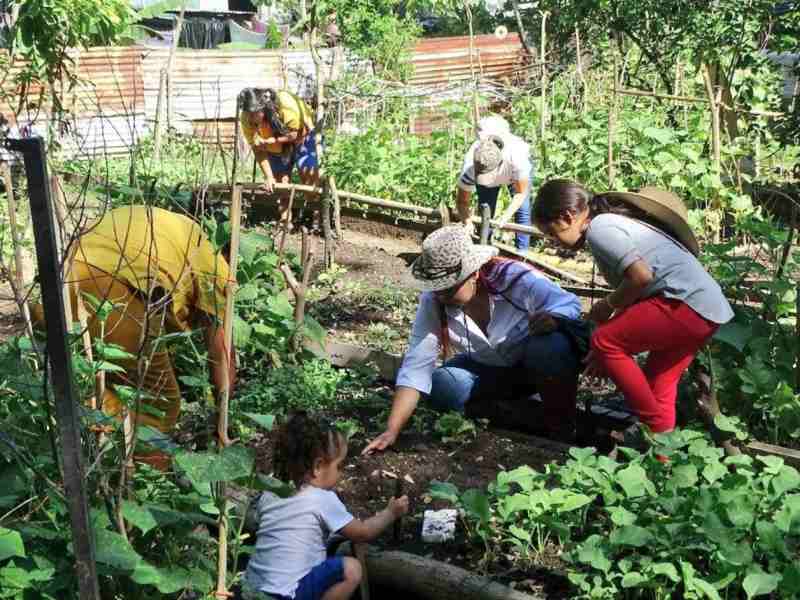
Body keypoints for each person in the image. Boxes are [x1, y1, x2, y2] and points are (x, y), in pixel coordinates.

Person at [33, 205, 235, 468]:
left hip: (54, 289)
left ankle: (99, 469)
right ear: (228, 255)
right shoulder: (215, 262)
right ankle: (147, 488)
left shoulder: (173, 225)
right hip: (109, 294)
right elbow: (220, 350)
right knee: (159, 404)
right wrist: (224, 414)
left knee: (99, 390)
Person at [532, 180, 734, 435]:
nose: (553, 242)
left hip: (685, 302)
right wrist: (603, 348)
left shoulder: (600, 228)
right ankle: (662, 456)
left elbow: (641, 277)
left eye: (552, 233)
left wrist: (606, 310)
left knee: (606, 340)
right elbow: (639, 296)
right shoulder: (610, 225)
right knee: (657, 383)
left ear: (567, 216)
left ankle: (654, 429)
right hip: (706, 310)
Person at [363, 224, 585, 455]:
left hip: (535, 366)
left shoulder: (515, 279)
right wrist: (391, 430)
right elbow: (417, 364)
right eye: (437, 289)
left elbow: (569, 303)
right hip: (491, 371)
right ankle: (512, 416)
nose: (441, 295)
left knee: (550, 346)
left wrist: (554, 319)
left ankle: (562, 430)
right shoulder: (433, 300)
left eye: (448, 289)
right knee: (443, 385)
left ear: (474, 273)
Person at [242, 412, 409, 600]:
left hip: (251, 589)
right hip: (288, 594)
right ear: (318, 466)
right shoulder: (322, 499)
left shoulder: (270, 492)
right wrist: (391, 512)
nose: (341, 473)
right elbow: (363, 532)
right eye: (339, 466)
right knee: (351, 569)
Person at [238, 87, 319, 225]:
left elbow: (300, 133)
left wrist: (274, 141)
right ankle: (285, 221)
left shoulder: (286, 107)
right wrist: (269, 177)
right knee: (280, 180)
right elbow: (258, 150)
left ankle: (316, 214)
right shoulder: (246, 120)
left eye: (253, 114)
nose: (250, 118)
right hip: (274, 139)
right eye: (247, 113)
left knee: (307, 173)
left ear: (263, 108)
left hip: (303, 134)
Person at [455, 115, 533, 251]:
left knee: (523, 210)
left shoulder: (517, 157)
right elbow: (462, 201)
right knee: (486, 209)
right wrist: (467, 222)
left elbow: (520, 193)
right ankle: (484, 247)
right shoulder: (471, 165)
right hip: (489, 171)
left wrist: (505, 217)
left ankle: (522, 252)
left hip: (512, 174)